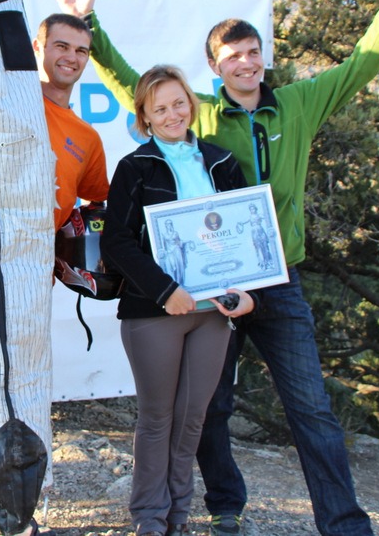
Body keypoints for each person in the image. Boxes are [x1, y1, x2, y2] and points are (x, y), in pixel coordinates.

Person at [53, 0, 379, 536]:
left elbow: (362, 61)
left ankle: (345, 525)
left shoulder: (299, 102)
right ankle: (225, 507)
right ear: (216, 68)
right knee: (210, 409)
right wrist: (90, 24)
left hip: (276, 280)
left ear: (262, 56)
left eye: (253, 53)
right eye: (233, 57)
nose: (246, 64)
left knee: (310, 410)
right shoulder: (195, 118)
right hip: (201, 290)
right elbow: (132, 83)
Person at [101, 64, 256, 536]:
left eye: (178, 103)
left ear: (191, 103)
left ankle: (179, 518)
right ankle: (150, 518)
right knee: (156, 419)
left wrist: (248, 293)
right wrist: (166, 291)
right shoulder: (135, 167)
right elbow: (117, 242)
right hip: (156, 312)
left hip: (214, 314)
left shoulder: (221, 162)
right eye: (159, 108)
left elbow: (244, 233)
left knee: (193, 420)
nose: (172, 114)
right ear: (144, 116)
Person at [33, 13, 110, 231]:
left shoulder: (88, 137)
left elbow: (96, 201)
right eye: (62, 46)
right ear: (37, 48)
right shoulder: (4, 103)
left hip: (44, 258)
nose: (72, 57)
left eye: (81, 51)